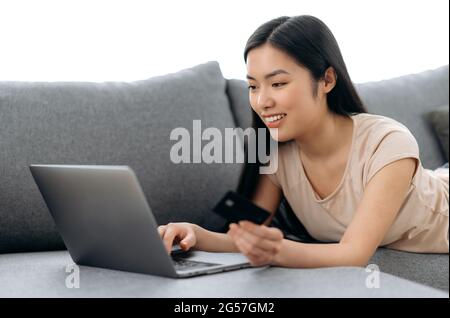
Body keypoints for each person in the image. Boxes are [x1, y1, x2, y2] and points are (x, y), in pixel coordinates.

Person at [158, 15, 449, 268]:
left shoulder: (388, 144)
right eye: (253, 86)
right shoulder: (276, 157)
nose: (262, 101)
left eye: (278, 83)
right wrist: (193, 233)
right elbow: (244, 237)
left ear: (326, 81)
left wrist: (278, 250)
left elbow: (354, 254)